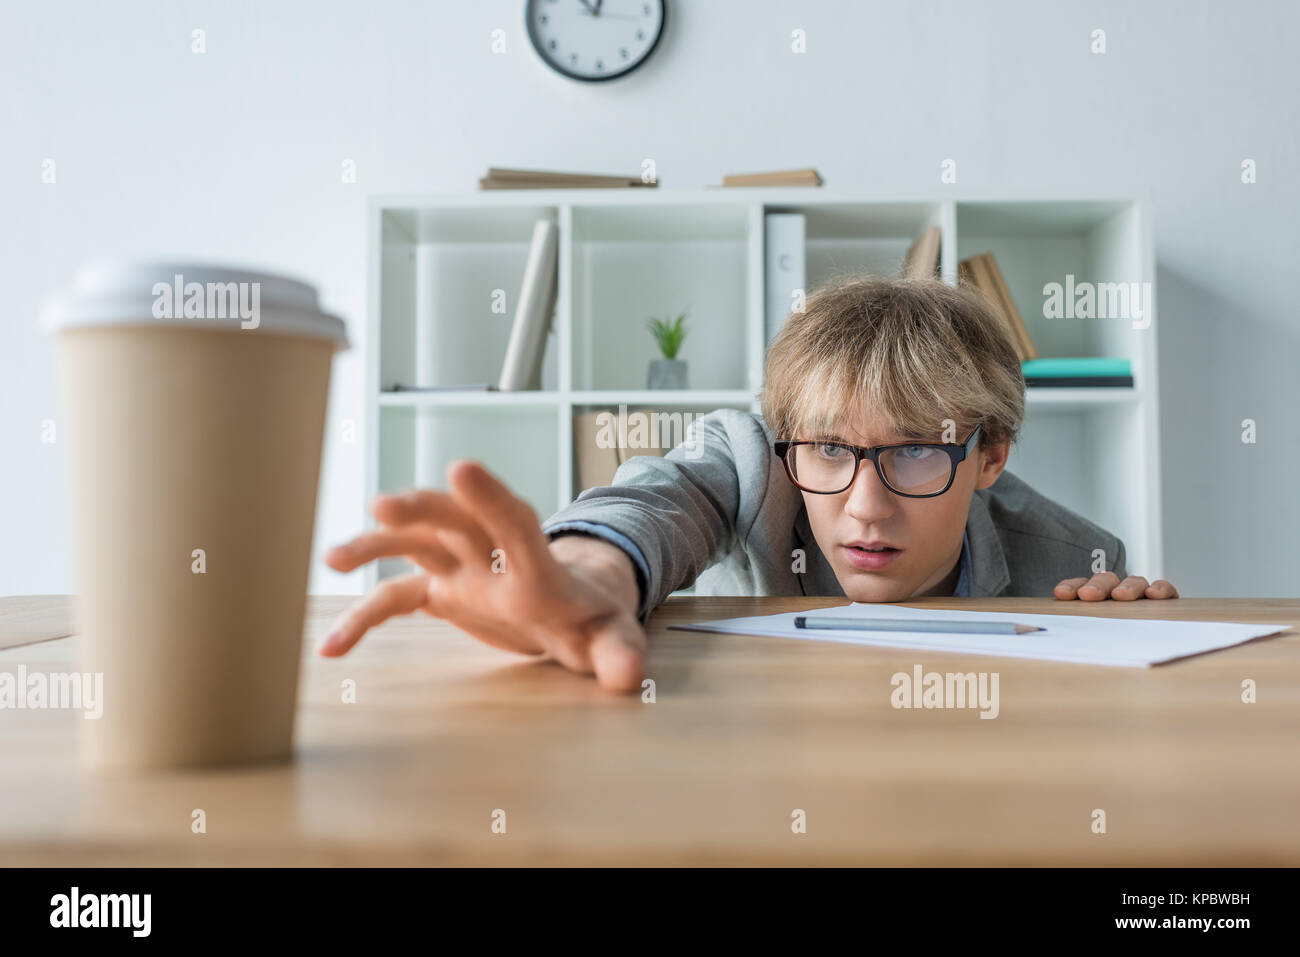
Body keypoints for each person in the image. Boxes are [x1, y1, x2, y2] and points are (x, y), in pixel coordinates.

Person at [318, 276, 1178, 691]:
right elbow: (658, 500)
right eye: (830, 451)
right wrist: (589, 572)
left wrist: (1130, 644)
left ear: (991, 456)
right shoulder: (754, 463)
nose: (865, 507)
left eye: (917, 452)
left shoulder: (1073, 559)